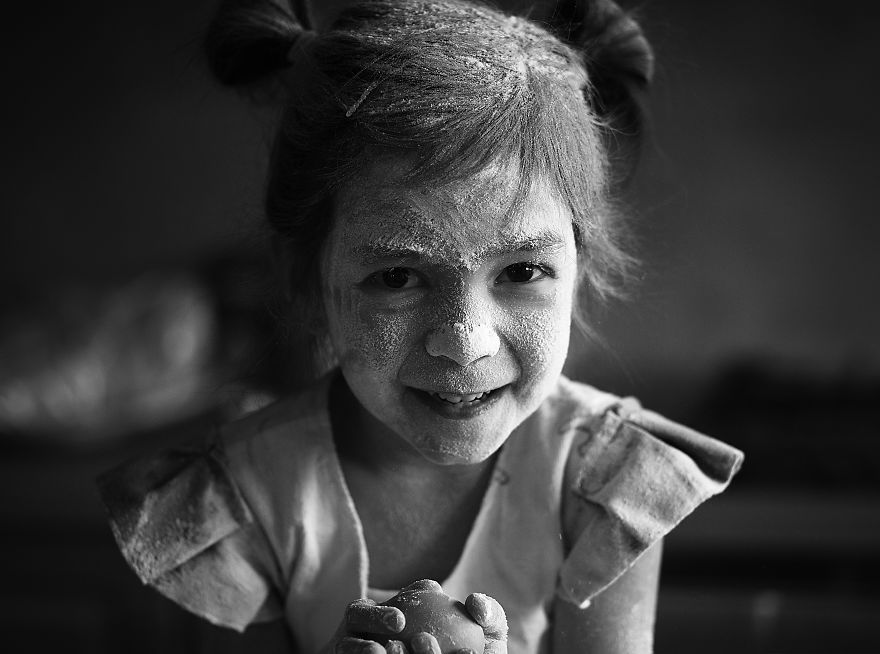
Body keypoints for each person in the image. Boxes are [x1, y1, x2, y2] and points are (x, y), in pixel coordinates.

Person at [98, 1, 744, 652]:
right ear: (306, 277)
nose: (465, 342)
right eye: (397, 277)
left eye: (522, 271)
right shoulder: (249, 497)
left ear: (581, 266)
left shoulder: (599, 485)